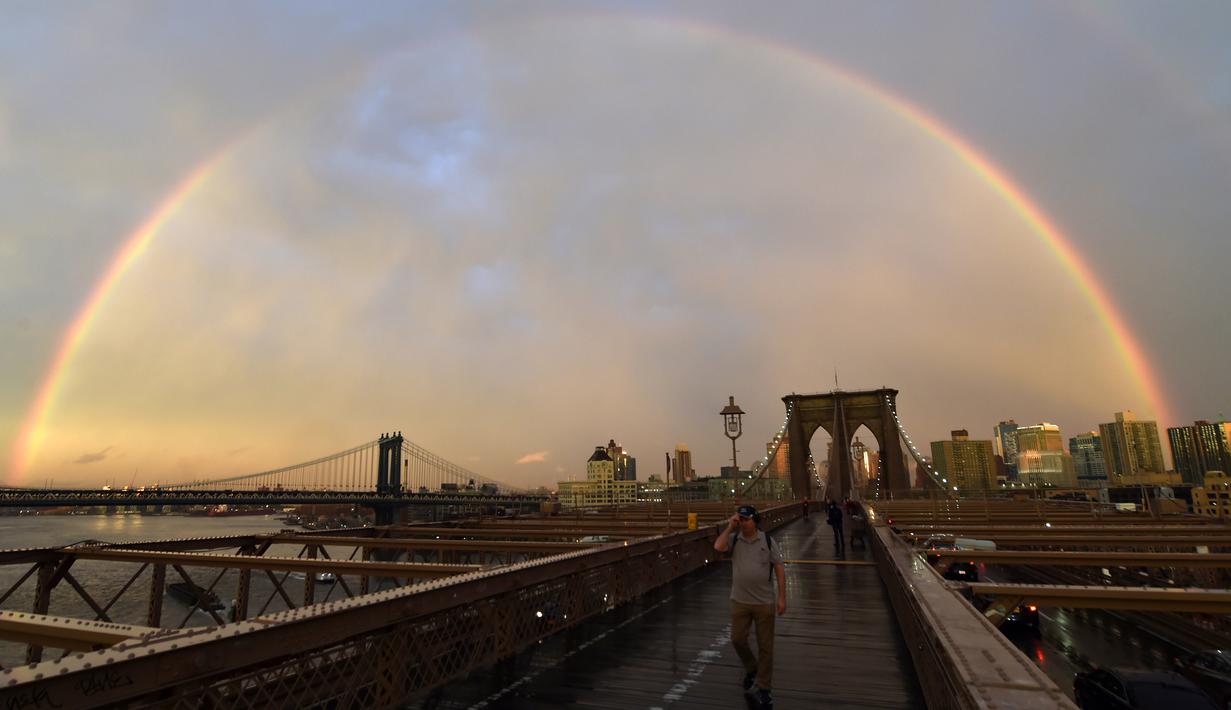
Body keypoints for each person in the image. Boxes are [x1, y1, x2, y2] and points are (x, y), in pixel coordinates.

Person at [714, 504, 786, 710]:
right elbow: (718, 547)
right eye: (741, 519)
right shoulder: (734, 539)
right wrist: (729, 527)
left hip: (764, 602)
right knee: (737, 639)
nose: (743, 523)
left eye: (746, 519)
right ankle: (752, 668)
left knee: (766, 647)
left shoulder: (768, 541)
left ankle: (764, 689)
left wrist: (782, 597)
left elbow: (779, 568)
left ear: (755, 521)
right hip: (739, 600)